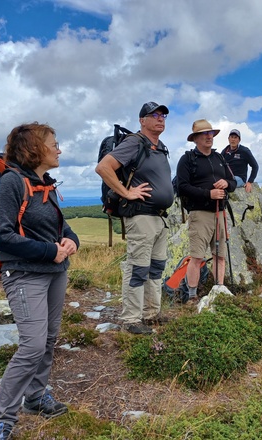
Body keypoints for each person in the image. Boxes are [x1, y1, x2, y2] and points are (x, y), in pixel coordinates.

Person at [0, 123, 79, 440]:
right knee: (32, 346)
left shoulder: (44, 184)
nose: (59, 148)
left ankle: (37, 397)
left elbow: (61, 228)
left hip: (54, 273)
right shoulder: (12, 183)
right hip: (25, 274)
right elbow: (1, 235)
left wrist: (71, 243)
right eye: (54, 143)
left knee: (49, 340)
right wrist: (48, 251)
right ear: (34, 148)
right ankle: (2, 420)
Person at [95, 102, 173, 335]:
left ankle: (150, 313)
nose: (161, 119)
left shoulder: (159, 147)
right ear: (142, 120)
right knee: (138, 267)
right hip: (140, 216)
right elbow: (104, 167)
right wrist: (127, 192)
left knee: (156, 267)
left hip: (159, 218)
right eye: (155, 115)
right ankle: (131, 319)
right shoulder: (134, 143)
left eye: (163, 116)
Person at [177, 119, 237, 299]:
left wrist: (227, 183)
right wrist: (208, 194)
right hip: (199, 213)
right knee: (196, 256)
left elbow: (233, 182)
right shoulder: (187, 159)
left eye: (210, 133)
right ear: (195, 138)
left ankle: (218, 291)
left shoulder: (219, 158)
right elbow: (182, 187)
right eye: (204, 134)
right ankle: (192, 296)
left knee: (220, 256)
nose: (209, 137)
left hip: (220, 212)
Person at [221, 129, 259, 193]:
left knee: (226, 184)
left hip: (239, 179)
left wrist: (250, 182)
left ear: (239, 140)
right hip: (227, 178)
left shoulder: (244, 151)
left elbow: (255, 166)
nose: (233, 139)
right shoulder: (225, 151)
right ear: (228, 139)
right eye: (232, 137)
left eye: (235, 137)